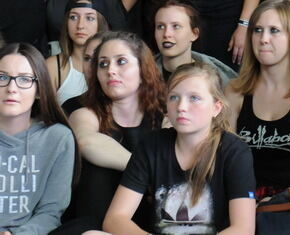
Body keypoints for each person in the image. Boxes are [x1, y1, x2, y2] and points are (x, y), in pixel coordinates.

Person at [103, 62, 257, 234]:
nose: (181, 107)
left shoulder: (234, 151)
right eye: (174, 97)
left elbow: (243, 229)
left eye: (194, 98)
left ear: (216, 107)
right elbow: (115, 219)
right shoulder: (152, 145)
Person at [66, 31, 165, 231]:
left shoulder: (164, 115)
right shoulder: (83, 111)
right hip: (90, 226)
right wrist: (147, 174)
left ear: (143, 69)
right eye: (103, 64)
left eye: (121, 61)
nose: (110, 70)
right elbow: (87, 141)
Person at [226, 0, 290, 199]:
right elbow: (226, 161)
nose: (263, 39)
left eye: (274, 30)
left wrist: (281, 201)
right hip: (243, 199)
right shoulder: (234, 91)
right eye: (257, 30)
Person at [0, 42, 78, 234]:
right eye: (2, 77)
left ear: (39, 89)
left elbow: (50, 212)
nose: (12, 88)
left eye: (25, 80)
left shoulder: (58, 138)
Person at [153, 0, 237, 85]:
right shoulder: (141, 72)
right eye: (160, 26)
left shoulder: (220, 80)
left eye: (176, 26)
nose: (166, 34)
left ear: (194, 34)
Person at [46, 0, 110, 105]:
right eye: (73, 17)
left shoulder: (113, 66)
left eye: (89, 18)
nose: (80, 25)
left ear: (101, 23)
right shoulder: (53, 66)